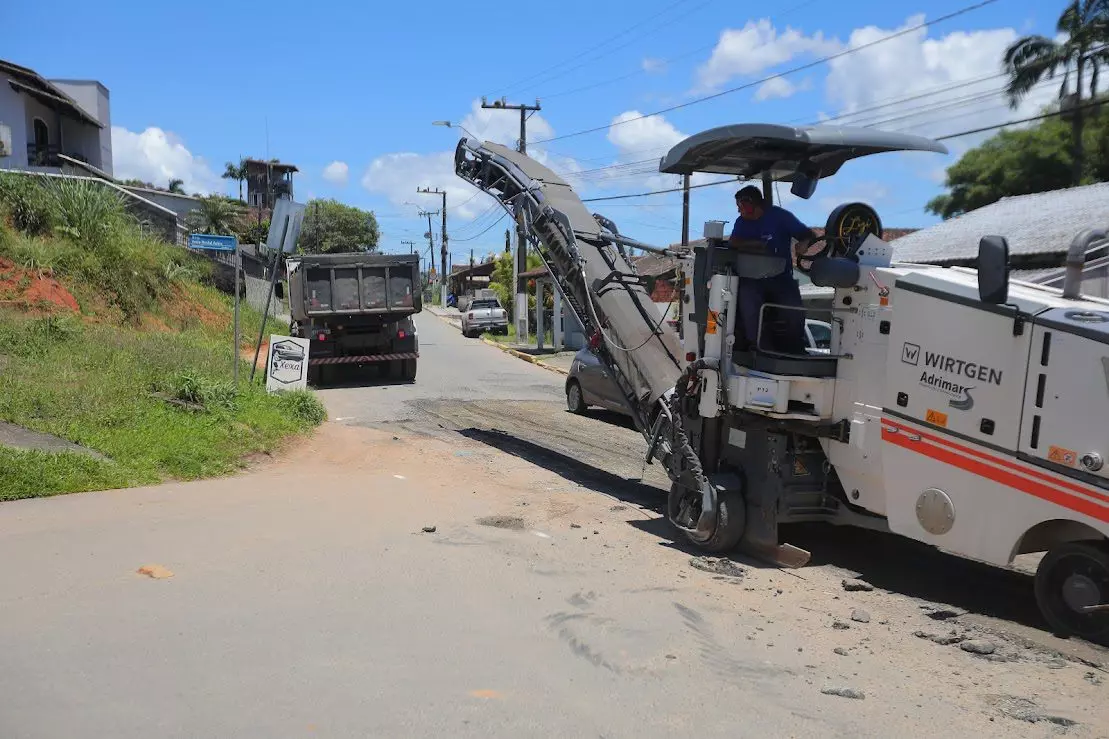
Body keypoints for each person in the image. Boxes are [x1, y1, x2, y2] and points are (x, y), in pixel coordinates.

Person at [728, 185, 815, 354]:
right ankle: (760, 348)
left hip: (780, 276)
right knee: (749, 303)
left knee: (793, 308)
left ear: (750, 203)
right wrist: (756, 245)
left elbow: (808, 234)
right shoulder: (742, 222)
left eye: (741, 207)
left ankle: (795, 348)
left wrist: (803, 244)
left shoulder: (780, 217)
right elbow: (734, 242)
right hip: (752, 278)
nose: (739, 211)